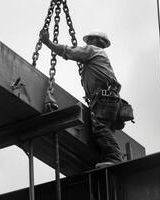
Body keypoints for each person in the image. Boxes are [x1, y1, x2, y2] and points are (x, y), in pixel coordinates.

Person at [39, 29, 123, 168]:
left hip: (104, 99)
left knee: (100, 128)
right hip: (110, 99)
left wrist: (48, 42)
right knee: (104, 131)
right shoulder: (98, 56)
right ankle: (110, 158)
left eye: (90, 40)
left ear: (96, 41)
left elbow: (69, 52)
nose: (88, 43)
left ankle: (115, 159)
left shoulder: (93, 50)